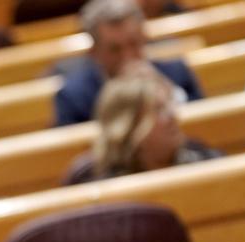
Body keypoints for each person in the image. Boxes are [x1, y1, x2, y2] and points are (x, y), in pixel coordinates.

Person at [54, 0, 203, 126]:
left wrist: (167, 91)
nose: (128, 57)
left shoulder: (177, 74)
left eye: (133, 44)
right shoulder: (73, 98)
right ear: (94, 53)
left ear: (144, 39)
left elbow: (203, 126)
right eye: (114, 49)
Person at [74, 69, 221, 182]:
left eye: (169, 105)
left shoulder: (204, 159)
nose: (172, 116)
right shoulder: (99, 184)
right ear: (129, 126)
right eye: (158, 109)